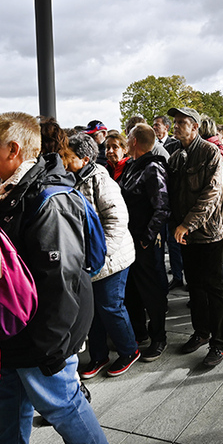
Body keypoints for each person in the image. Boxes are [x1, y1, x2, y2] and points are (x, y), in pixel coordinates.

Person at [0, 111, 125, 444]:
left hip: (45, 327)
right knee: (11, 395)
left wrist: (50, 344)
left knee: (61, 400)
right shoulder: (12, 188)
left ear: (14, 149)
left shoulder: (47, 197)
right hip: (16, 323)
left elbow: (59, 279)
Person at [66, 132, 139, 378]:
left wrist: (101, 255)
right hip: (88, 261)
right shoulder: (71, 179)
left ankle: (129, 350)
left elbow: (117, 221)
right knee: (90, 311)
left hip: (111, 258)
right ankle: (98, 356)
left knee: (110, 307)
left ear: (85, 159)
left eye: (69, 156)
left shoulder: (101, 180)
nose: (64, 160)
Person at [166, 107, 223, 366]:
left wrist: (187, 224)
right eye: (175, 122)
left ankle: (218, 343)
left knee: (213, 289)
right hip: (186, 234)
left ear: (194, 126)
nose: (175, 126)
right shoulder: (177, 154)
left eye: (181, 122)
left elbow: (212, 194)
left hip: (209, 233)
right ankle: (201, 332)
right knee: (195, 287)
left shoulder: (210, 151)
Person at [119, 124, 171, 362]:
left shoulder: (153, 168)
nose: (125, 141)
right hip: (130, 240)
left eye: (128, 138)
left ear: (136, 141)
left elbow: (162, 208)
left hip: (144, 242)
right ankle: (139, 333)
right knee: (132, 290)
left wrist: (146, 239)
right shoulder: (131, 166)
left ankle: (159, 337)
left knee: (151, 292)